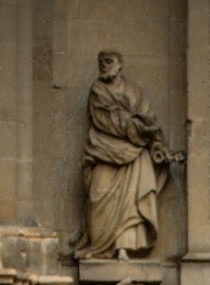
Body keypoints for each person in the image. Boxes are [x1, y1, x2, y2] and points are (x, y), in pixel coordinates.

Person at [75, 50, 178, 260]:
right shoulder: (98, 90)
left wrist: (160, 147)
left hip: (135, 155)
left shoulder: (134, 92)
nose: (104, 65)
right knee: (98, 196)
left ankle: (123, 248)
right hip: (104, 150)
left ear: (120, 65)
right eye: (101, 62)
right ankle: (98, 247)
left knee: (131, 202)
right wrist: (136, 128)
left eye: (109, 61)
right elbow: (105, 118)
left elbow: (150, 120)